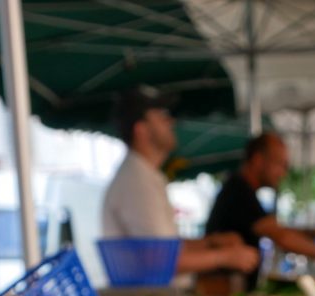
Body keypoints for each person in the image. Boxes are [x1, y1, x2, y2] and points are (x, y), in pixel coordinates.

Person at [101, 88, 258, 279]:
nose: (171, 121)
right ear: (140, 129)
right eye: (161, 116)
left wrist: (210, 242)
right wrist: (223, 257)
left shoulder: (144, 175)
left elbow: (166, 245)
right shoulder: (136, 181)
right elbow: (161, 259)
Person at [205, 132, 315, 290]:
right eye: (279, 164)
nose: (283, 173)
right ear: (257, 160)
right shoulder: (239, 191)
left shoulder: (241, 188)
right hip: (222, 291)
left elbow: (280, 229)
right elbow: (281, 236)